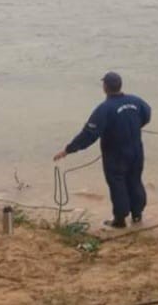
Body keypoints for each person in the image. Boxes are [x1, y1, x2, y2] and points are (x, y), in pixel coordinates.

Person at [53, 72, 151, 228]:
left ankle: (120, 220)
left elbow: (89, 134)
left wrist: (68, 150)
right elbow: (147, 115)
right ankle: (137, 215)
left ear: (105, 87)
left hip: (116, 153)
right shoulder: (136, 101)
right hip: (136, 151)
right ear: (120, 85)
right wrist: (132, 125)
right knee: (135, 180)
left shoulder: (104, 109)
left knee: (117, 183)